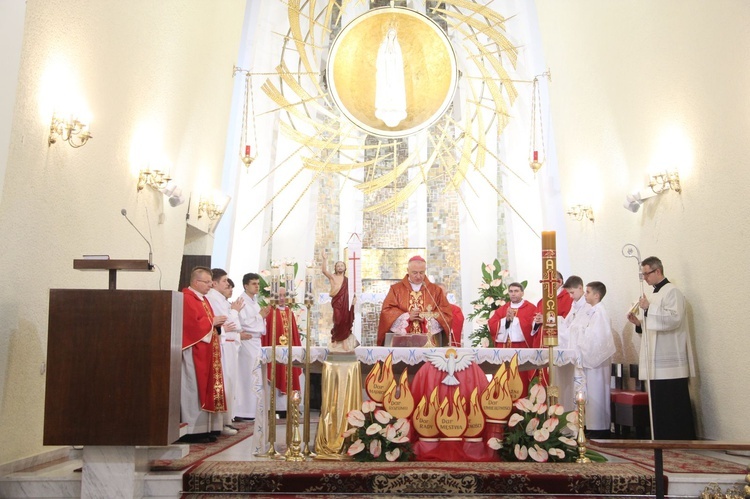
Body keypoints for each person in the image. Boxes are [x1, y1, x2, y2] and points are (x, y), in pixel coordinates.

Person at [626, 256, 696, 439]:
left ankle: (679, 438)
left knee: (672, 400)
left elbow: (674, 319)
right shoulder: (653, 295)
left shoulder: (673, 292)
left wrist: (649, 309)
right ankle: (662, 438)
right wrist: (639, 323)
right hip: (656, 361)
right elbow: (654, 326)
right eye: (643, 275)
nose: (645, 278)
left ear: (658, 271)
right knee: (659, 401)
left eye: (646, 274)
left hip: (670, 360)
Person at [179, 266, 228, 443]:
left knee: (207, 388)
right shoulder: (186, 298)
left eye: (210, 282)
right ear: (195, 282)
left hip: (208, 350)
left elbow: (206, 322)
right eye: (207, 282)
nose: (210, 285)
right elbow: (190, 326)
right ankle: (193, 430)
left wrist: (215, 324)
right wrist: (212, 322)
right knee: (194, 389)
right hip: (195, 351)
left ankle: (207, 427)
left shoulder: (203, 299)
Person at [377, 255, 453, 346]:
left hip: (429, 342)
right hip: (402, 342)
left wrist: (426, 319)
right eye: (414, 273)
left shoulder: (435, 290)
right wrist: (407, 317)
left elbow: (446, 314)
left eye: (421, 273)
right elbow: (387, 312)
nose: (418, 276)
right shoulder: (396, 289)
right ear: (407, 270)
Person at [573, 281, 615, 438]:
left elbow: (598, 336)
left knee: (597, 393)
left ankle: (600, 428)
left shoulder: (599, 312)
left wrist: (582, 340)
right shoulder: (591, 311)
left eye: (588, 292)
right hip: (588, 359)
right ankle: (591, 425)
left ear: (597, 295)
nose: (585, 294)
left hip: (597, 360)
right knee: (590, 394)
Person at [206, 268, 243, 435]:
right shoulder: (212, 298)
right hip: (222, 345)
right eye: (224, 281)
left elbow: (234, 324)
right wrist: (234, 312)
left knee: (229, 384)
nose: (228, 284)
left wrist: (232, 313)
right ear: (215, 283)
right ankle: (219, 423)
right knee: (224, 384)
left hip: (229, 344)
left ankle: (225, 421)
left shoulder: (220, 299)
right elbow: (227, 323)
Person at [488, 281, 537, 395]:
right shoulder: (503, 308)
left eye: (516, 291)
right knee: (503, 377)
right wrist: (506, 320)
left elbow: (532, 327)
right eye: (511, 291)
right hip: (504, 349)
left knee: (520, 377)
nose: (513, 294)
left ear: (522, 293)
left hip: (521, 348)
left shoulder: (530, 308)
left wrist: (515, 320)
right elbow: (492, 324)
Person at [263, 286, 302, 418]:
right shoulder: (269, 312)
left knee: (289, 375)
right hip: (275, 354)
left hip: (288, 354)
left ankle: (289, 407)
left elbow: (295, 336)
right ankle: (274, 408)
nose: (281, 298)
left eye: (284, 295)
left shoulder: (289, 312)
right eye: (279, 295)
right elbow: (265, 335)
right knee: (275, 376)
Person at [234, 272, 268, 422]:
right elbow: (245, 322)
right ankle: (244, 410)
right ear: (245, 285)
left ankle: (252, 410)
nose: (256, 286)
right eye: (253, 284)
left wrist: (262, 317)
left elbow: (259, 323)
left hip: (255, 341)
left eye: (258, 284)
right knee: (247, 376)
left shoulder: (254, 301)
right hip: (247, 341)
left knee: (255, 376)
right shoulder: (242, 301)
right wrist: (261, 316)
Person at [531, 271, 573, 384]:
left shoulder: (568, 298)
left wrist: (547, 320)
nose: (546, 285)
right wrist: (537, 321)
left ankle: (555, 400)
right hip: (541, 342)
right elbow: (535, 319)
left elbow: (568, 322)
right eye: (545, 282)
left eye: (550, 281)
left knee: (554, 378)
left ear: (560, 282)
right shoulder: (542, 300)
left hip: (556, 342)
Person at [321, 250, 358, 352]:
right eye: (338, 266)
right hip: (337, 301)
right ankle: (335, 337)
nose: (340, 267)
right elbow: (324, 271)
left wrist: (354, 299)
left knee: (345, 321)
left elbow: (352, 291)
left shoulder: (348, 280)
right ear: (335, 268)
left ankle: (345, 340)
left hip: (346, 302)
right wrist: (324, 259)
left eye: (342, 265)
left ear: (345, 268)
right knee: (337, 320)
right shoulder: (332, 277)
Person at [438, 283, 464, 347]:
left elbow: (458, 321)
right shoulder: (428, 309)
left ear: (446, 294)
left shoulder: (455, 309)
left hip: (448, 344)